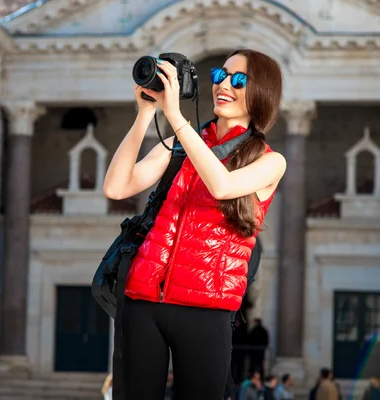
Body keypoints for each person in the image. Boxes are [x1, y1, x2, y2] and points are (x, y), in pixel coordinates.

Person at [103, 49, 286, 400]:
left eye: (239, 79)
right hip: (143, 299)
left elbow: (222, 186)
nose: (224, 85)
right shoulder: (181, 143)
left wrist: (175, 117)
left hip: (207, 308)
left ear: (261, 92)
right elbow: (116, 187)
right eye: (220, 75)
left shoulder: (271, 162)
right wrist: (145, 115)